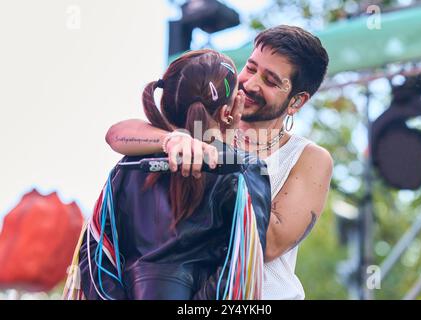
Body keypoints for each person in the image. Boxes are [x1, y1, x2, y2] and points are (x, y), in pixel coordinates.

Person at [105, 25, 333, 300]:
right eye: (250, 68)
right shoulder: (199, 124)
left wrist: (218, 145)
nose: (250, 83)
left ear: (296, 101)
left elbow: (269, 243)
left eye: (270, 81)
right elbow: (117, 135)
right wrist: (171, 140)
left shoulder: (309, 157)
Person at [62, 49, 272, 300]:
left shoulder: (127, 166)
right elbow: (241, 264)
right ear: (228, 110)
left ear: (167, 102)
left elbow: (94, 253)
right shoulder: (243, 168)